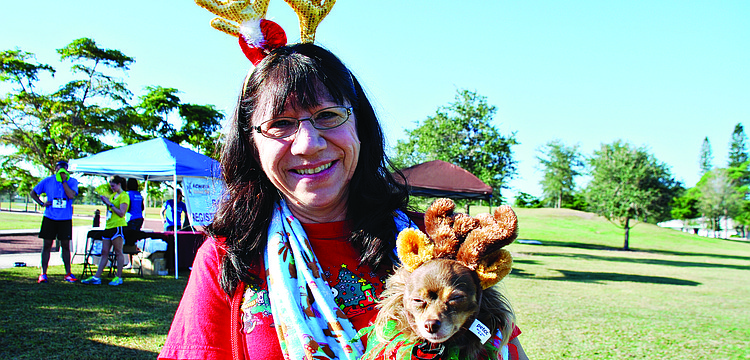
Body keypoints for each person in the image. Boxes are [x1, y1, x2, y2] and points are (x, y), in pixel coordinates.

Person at [158, 44, 528, 360]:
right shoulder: (228, 256)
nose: (308, 143)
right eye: (280, 123)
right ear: (252, 145)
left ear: (360, 128)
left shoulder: (432, 246)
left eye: (328, 116)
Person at [30, 160, 79, 284]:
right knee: (47, 245)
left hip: (65, 218)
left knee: (66, 246)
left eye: (64, 168)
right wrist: (42, 203)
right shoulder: (48, 180)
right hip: (50, 217)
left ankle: (68, 273)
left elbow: (71, 195)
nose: (61, 170)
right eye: (59, 168)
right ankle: (43, 273)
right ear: (55, 169)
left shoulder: (72, 181)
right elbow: (33, 192)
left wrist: (63, 181)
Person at [81, 176, 130, 286]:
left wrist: (110, 204)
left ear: (119, 184)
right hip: (108, 226)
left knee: (118, 251)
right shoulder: (113, 195)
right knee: (104, 252)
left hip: (118, 226)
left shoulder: (124, 196)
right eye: (110, 186)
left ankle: (118, 277)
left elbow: (121, 213)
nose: (112, 188)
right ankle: (97, 277)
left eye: (113, 186)